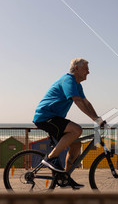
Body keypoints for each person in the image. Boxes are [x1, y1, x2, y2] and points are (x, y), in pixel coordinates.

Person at [33, 58, 104, 189]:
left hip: (54, 118)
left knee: (76, 145)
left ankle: (64, 178)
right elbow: (77, 101)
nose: (88, 72)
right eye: (86, 69)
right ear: (76, 68)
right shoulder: (68, 80)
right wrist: (95, 119)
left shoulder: (77, 85)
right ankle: (50, 158)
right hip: (45, 116)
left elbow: (86, 103)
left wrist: (98, 119)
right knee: (77, 130)